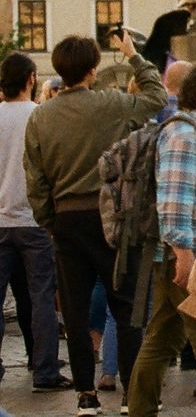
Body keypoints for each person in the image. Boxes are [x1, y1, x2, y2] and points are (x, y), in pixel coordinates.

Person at [24, 30, 167, 417]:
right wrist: (135, 56)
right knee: (126, 308)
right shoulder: (113, 104)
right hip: (115, 216)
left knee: (74, 307)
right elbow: (157, 98)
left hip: (67, 217)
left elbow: (35, 178)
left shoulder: (40, 116)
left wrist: (49, 220)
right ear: (93, 69)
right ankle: (131, 395)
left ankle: (86, 395)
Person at [127, 62, 196, 417]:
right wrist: (183, 253)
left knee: (163, 337)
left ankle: (141, 409)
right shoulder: (185, 135)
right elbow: (175, 199)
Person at [0, 53, 68, 391]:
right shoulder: (41, 117)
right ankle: (45, 369)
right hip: (33, 218)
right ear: (31, 78)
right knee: (42, 294)